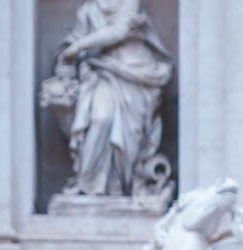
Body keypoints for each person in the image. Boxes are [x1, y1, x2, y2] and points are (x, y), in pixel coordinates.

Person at [44, 0, 173, 199]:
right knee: (100, 118)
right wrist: (66, 54)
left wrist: (79, 45)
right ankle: (90, 183)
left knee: (127, 130)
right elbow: (71, 42)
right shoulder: (88, 9)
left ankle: (118, 185)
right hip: (100, 73)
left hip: (134, 73)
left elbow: (119, 31)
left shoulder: (130, 2)